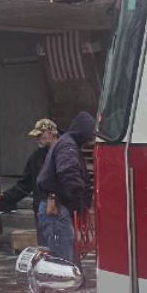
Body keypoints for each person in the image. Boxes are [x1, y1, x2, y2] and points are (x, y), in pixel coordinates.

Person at [36, 111, 94, 265]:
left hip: (56, 207)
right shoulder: (68, 145)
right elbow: (69, 175)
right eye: (90, 135)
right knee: (64, 261)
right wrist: (78, 204)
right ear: (84, 133)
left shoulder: (65, 143)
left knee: (66, 256)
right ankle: (67, 286)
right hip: (57, 208)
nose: (91, 140)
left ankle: (72, 282)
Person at [0, 119, 59, 235]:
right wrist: (6, 197)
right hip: (42, 212)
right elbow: (24, 185)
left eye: (39, 135)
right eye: (35, 136)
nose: (37, 139)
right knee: (45, 249)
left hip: (61, 213)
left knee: (63, 251)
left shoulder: (66, 153)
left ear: (50, 133)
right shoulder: (36, 157)